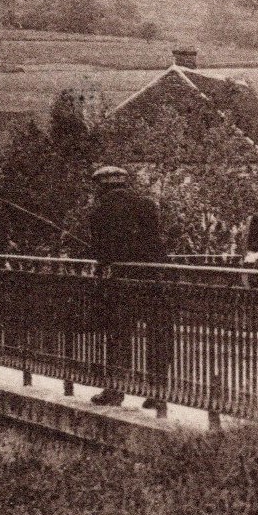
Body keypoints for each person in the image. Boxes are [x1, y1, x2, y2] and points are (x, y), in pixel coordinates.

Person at [86, 165, 168, 408]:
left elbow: (101, 251)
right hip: (154, 279)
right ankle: (158, 394)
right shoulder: (147, 205)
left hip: (121, 281)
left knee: (118, 335)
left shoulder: (100, 211)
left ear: (101, 186)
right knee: (157, 335)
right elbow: (156, 241)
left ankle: (115, 391)